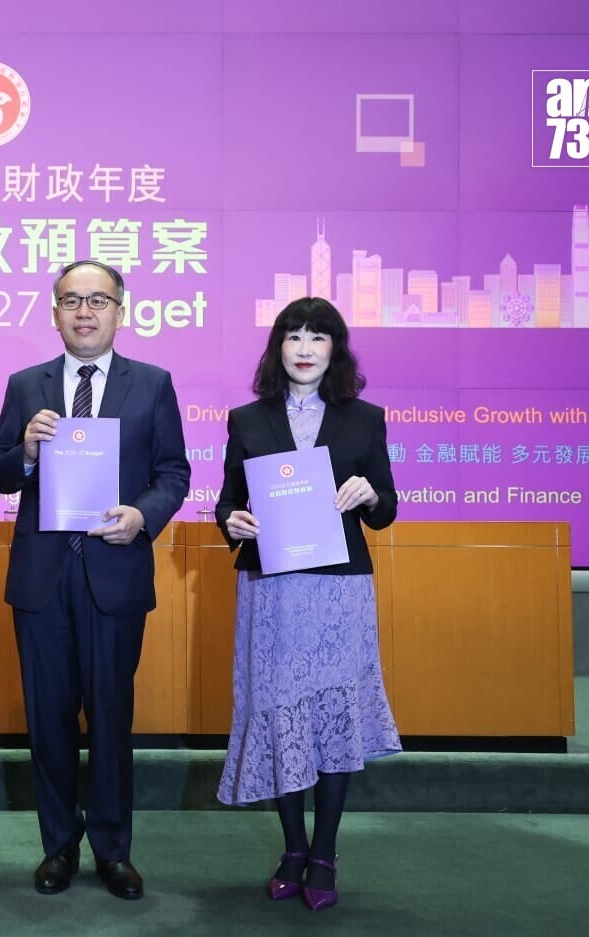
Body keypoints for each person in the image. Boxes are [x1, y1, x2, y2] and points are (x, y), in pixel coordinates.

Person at [0, 260, 190, 900]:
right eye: (72, 300)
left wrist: (143, 516)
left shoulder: (152, 383)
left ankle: (112, 849)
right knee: (48, 720)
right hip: (43, 578)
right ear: (54, 312)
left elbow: (173, 473)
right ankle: (58, 846)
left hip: (115, 573)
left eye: (98, 300)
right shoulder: (26, 384)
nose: (84, 312)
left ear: (120, 310)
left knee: (110, 718)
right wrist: (25, 451)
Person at [215, 296, 402, 911]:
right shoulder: (247, 419)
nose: (304, 348)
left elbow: (386, 509)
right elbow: (228, 501)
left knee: (332, 717)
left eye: (317, 337)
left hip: (337, 589)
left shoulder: (364, 418)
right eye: (293, 336)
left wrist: (369, 494)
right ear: (278, 347)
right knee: (280, 717)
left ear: (334, 349)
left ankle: (324, 852)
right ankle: (293, 847)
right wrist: (231, 521)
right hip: (271, 587)